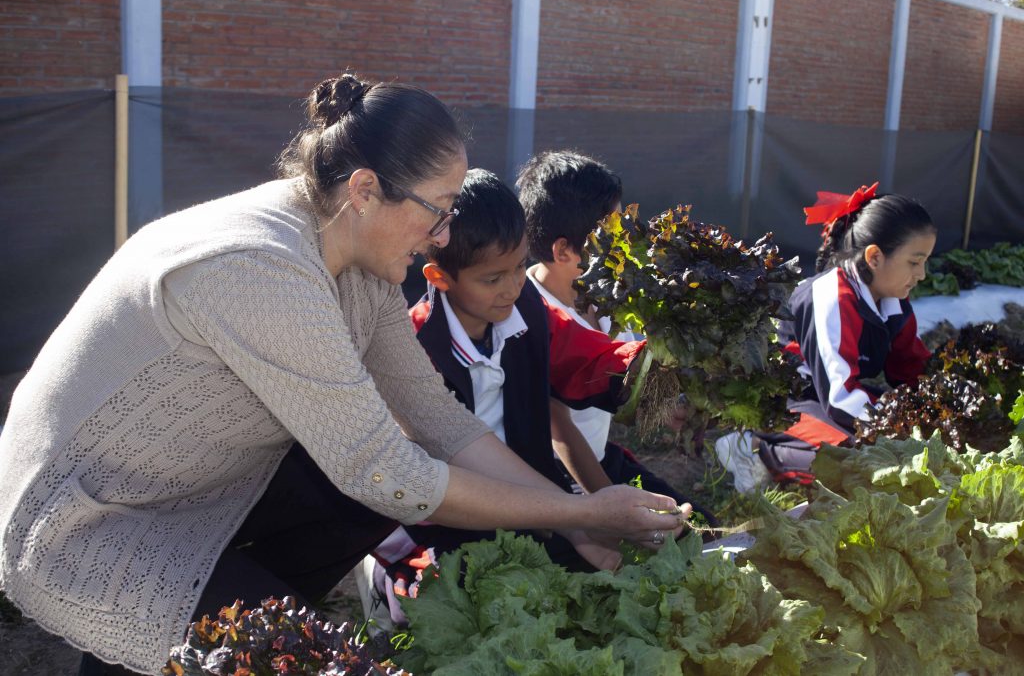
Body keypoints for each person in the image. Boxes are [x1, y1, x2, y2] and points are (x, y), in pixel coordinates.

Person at [0, 75, 685, 676]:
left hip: (186, 492)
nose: (444, 234)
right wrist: (576, 509)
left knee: (349, 517)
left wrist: (576, 524)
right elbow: (389, 470)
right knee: (290, 635)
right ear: (365, 190)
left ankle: (192, 634)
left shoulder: (356, 259)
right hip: (85, 517)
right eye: (438, 209)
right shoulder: (264, 267)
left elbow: (440, 420)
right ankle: (181, 636)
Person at [361, 169, 692, 629]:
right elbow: (426, 478)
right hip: (444, 518)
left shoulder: (530, 313)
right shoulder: (413, 349)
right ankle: (382, 579)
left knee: (600, 591)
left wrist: (667, 367)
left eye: (519, 267)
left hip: (537, 504)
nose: (513, 287)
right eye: (493, 278)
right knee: (452, 613)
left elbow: (587, 357)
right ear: (438, 277)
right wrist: (581, 524)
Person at [516, 150, 716, 521]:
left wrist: (669, 404)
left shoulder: (611, 295)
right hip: (558, 482)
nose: (625, 240)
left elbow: (639, 373)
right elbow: (560, 432)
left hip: (602, 459)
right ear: (564, 251)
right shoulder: (528, 315)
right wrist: (607, 509)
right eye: (612, 234)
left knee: (703, 529)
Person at [719, 182, 935, 488]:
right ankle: (754, 447)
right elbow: (839, 397)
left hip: (829, 400)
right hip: (791, 403)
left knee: (891, 451)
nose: (921, 274)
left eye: (925, 261)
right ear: (874, 257)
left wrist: (937, 412)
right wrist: (897, 429)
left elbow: (910, 368)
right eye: (914, 262)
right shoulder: (829, 296)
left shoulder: (894, 301)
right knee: (860, 462)